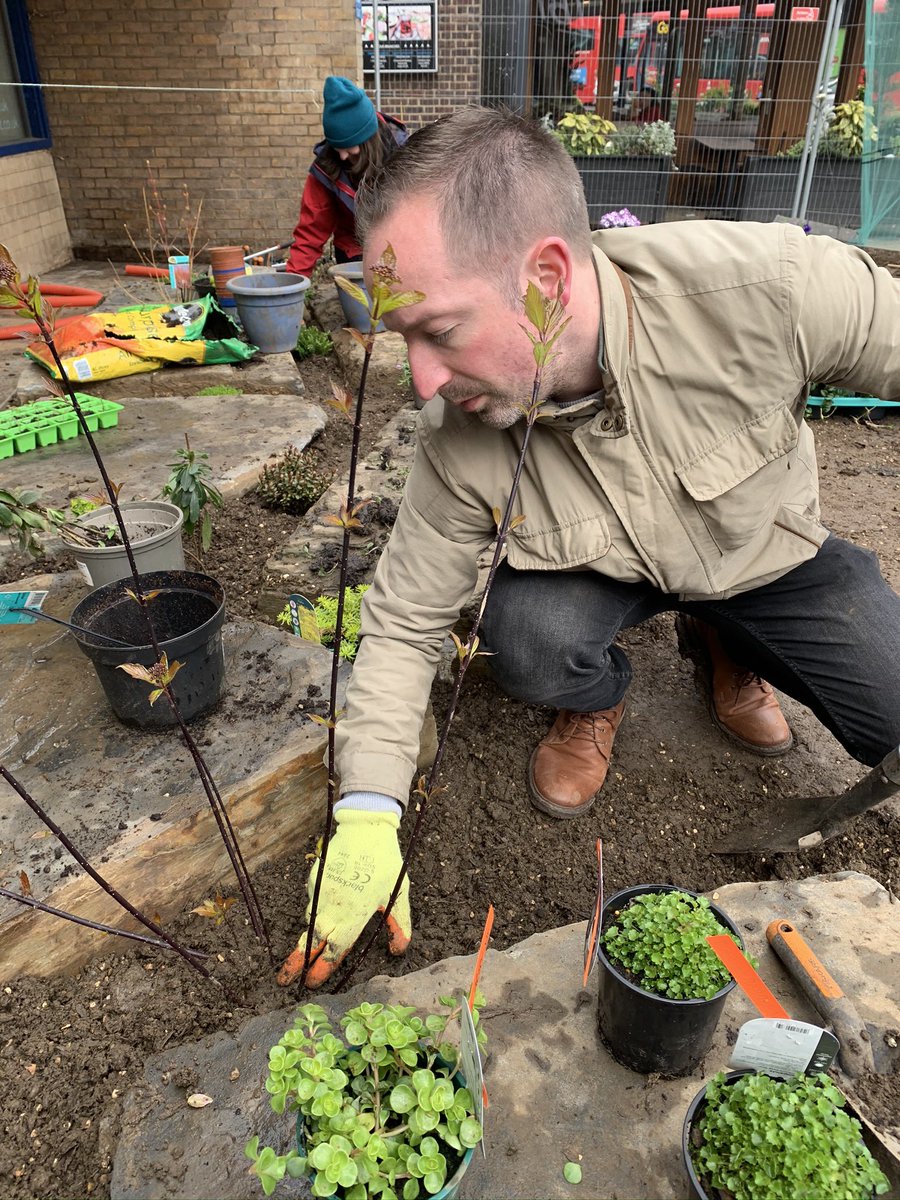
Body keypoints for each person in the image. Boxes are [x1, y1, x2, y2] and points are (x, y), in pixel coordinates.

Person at [277, 106, 900, 988]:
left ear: (548, 276)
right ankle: (597, 694)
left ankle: (727, 647)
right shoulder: (459, 435)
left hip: (765, 559)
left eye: (441, 331)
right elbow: (406, 620)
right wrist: (370, 811)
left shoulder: (770, 291)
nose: (421, 380)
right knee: (522, 640)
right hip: (607, 574)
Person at [284, 76, 407, 279]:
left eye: (349, 148)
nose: (342, 156)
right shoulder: (326, 170)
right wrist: (291, 285)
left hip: (399, 252)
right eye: (336, 148)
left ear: (368, 140)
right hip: (353, 255)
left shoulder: (404, 156)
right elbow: (310, 233)